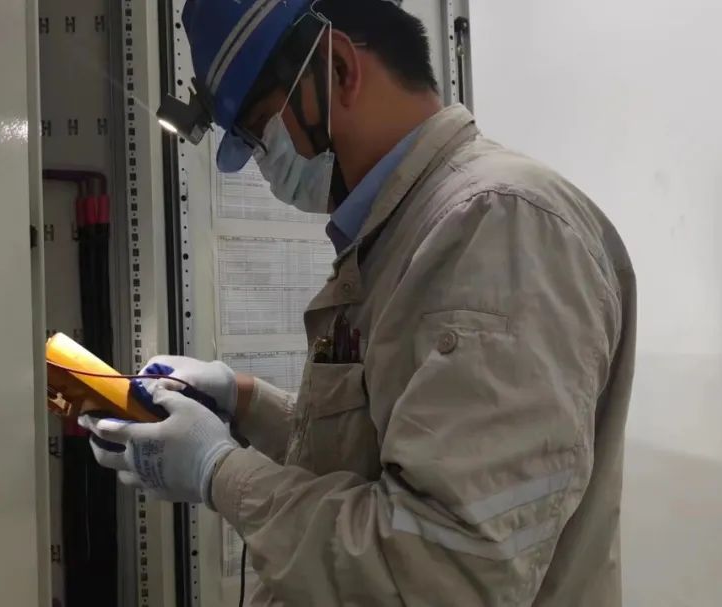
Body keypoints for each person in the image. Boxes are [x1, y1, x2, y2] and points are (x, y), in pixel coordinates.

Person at [53, 0, 636, 604]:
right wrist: (243, 401)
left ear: (337, 68)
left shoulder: (501, 226)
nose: (263, 164)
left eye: (261, 128)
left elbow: (444, 570)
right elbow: (381, 453)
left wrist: (218, 471)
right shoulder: (401, 231)